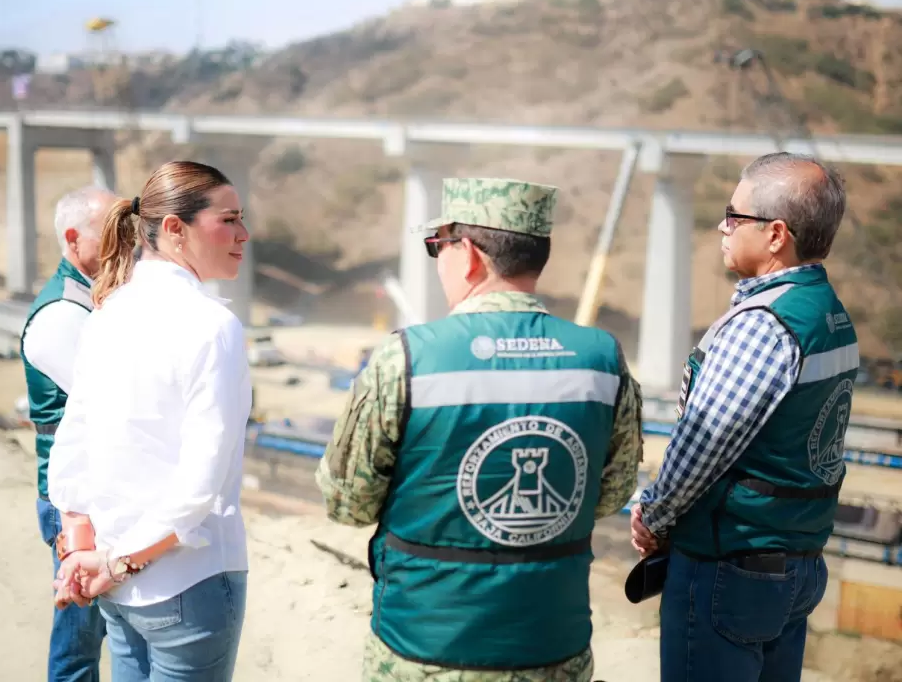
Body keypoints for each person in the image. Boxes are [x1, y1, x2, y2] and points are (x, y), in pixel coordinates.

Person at [316, 177, 643, 682]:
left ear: (467, 254)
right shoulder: (603, 360)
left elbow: (347, 503)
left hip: (424, 651)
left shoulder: (406, 358)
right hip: (554, 649)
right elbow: (609, 493)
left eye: (436, 247)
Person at [630, 152, 858, 682]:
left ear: (776, 234)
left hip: (729, 567)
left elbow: (704, 444)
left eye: (734, 216)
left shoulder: (763, 324)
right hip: (796, 563)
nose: (722, 227)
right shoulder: (828, 313)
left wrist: (653, 516)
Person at [46, 160, 252, 682]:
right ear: (175, 228)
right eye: (229, 219)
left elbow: (73, 440)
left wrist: (80, 546)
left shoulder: (109, 311)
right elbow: (201, 483)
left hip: (116, 583)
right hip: (185, 579)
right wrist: (119, 562)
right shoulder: (214, 326)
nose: (243, 234)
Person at [21, 184, 116, 682]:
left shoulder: (90, 298)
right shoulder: (60, 314)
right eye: (113, 229)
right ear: (74, 239)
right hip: (71, 500)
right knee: (81, 638)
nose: (127, 239)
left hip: (88, 491)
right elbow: (115, 400)